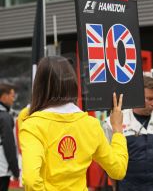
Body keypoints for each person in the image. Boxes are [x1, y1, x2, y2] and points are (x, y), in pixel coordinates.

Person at [19, 56, 128, 191]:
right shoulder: (91, 124)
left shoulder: (33, 126)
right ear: (72, 83)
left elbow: (31, 180)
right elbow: (118, 169)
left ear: (39, 86)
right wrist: (117, 129)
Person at [103, 75, 153, 191]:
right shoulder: (114, 122)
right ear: (137, 97)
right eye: (149, 99)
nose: (152, 103)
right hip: (128, 187)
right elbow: (109, 162)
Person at [0, 83, 19, 191]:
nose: (13, 99)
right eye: (12, 96)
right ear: (4, 96)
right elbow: (9, 146)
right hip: (2, 170)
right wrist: (15, 170)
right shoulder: (5, 117)